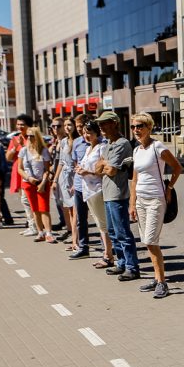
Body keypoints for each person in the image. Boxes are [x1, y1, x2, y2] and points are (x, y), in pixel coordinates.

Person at [128, 112, 183, 299]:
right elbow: (135, 179)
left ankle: (162, 282)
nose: (136, 130)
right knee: (146, 240)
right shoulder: (136, 150)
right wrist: (132, 203)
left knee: (151, 240)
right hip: (141, 200)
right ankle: (157, 276)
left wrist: (169, 187)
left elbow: (177, 167)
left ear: (149, 127)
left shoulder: (157, 147)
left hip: (155, 200)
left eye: (140, 126)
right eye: (134, 126)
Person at [97, 111, 140, 281]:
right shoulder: (108, 144)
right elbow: (97, 169)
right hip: (107, 193)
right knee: (113, 232)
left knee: (123, 232)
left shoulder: (122, 144)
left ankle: (132, 266)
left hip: (118, 194)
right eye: (100, 123)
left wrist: (104, 164)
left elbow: (112, 170)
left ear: (114, 123)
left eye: (104, 123)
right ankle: (121, 263)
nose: (101, 126)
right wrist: (105, 165)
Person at [77, 120, 114, 267]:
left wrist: (87, 172)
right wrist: (81, 169)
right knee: (100, 224)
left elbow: (105, 171)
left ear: (97, 134)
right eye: (85, 132)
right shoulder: (88, 149)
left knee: (103, 224)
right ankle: (107, 253)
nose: (87, 135)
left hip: (98, 189)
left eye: (90, 133)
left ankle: (108, 255)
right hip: (88, 190)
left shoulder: (101, 147)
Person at [18, 127, 55, 243]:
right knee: (35, 209)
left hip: (41, 183)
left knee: (44, 208)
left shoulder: (43, 150)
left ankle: (48, 233)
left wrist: (43, 183)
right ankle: (40, 232)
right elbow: (20, 169)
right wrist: (28, 178)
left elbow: (47, 169)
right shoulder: (24, 151)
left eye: (32, 136)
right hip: (28, 183)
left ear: (37, 137)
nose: (29, 138)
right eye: (28, 136)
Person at [6, 114, 36, 236]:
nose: (20, 126)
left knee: (29, 200)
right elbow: (8, 157)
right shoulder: (15, 139)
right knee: (24, 200)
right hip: (19, 172)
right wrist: (15, 147)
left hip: (31, 172)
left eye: (22, 124)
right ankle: (31, 224)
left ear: (29, 125)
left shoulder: (33, 137)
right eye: (18, 124)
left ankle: (35, 225)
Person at [69, 114, 92, 259]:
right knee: (80, 219)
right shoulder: (76, 142)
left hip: (94, 186)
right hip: (79, 185)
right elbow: (75, 162)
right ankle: (83, 247)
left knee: (100, 219)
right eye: (76, 127)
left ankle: (108, 249)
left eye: (80, 127)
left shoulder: (99, 141)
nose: (78, 130)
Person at [57, 117, 77, 249]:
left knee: (77, 211)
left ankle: (77, 241)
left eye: (69, 125)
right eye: (65, 125)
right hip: (65, 177)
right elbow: (61, 162)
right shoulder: (63, 142)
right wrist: (55, 180)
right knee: (70, 210)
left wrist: (76, 182)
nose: (67, 128)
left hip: (75, 177)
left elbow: (79, 162)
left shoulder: (79, 141)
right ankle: (74, 239)